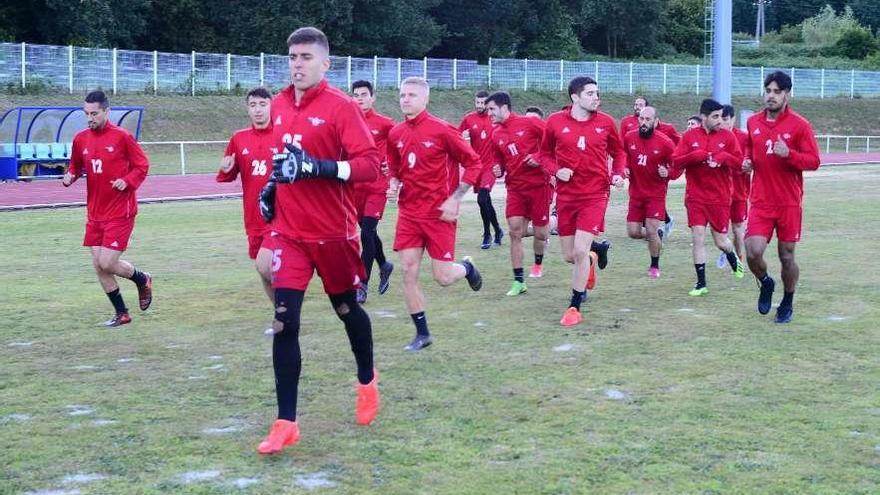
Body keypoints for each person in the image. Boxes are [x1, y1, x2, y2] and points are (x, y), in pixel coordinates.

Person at [255, 27, 381, 456]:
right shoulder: (276, 105)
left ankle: (367, 379)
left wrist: (319, 168)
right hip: (289, 233)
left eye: (306, 56)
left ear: (325, 63)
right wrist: (272, 186)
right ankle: (286, 422)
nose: (297, 63)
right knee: (284, 322)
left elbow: (370, 167)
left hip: (334, 234)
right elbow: (283, 160)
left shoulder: (342, 108)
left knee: (347, 310)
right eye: (292, 56)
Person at [387, 77, 484, 351]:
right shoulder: (395, 133)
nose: (406, 99)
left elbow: (474, 163)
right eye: (403, 94)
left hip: (439, 214)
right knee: (407, 270)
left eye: (412, 95)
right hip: (408, 213)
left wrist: (456, 199)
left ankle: (466, 268)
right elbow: (394, 166)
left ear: (425, 99)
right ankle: (422, 333)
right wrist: (393, 183)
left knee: (442, 277)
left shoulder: (443, 130)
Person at [538, 76, 626, 327]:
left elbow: (618, 152)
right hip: (566, 196)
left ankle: (574, 305)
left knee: (577, 251)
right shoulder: (555, 121)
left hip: (596, 194)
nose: (596, 97)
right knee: (570, 255)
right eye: (590, 93)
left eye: (597, 93)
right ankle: (593, 255)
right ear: (575, 97)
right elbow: (543, 154)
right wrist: (556, 170)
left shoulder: (607, 122)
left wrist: (618, 173)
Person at [62, 90, 152, 327]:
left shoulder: (122, 136)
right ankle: (122, 313)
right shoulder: (80, 138)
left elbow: (142, 166)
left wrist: (128, 181)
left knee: (108, 262)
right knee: (98, 265)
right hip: (95, 212)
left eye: (94, 113)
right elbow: (76, 166)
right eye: (86, 113)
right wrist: (71, 175)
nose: (90, 117)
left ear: (106, 111)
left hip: (120, 211)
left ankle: (143, 279)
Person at [743, 70, 820, 323]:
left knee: (786, 256)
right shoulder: (753, 122)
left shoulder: (800, 125)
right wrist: (746, 160)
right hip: (761, 201)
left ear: (787, 94)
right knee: (753, 252)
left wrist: (790, 155)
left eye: (777, 92)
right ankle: (766, 282)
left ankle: (787, 301)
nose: (771, 96)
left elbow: (814, 161)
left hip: (788, 202)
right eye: (768, 91)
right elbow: (749, 148)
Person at [671, 98, 745, 297]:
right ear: (703, 117)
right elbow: (676, 161)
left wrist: (722, 158)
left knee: (721, 241)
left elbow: (739, 163)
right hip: (695, 197)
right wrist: (695, 156)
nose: (720, 120)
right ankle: (701, 283)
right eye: (715, 116)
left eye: (721, 116)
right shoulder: (689, 137)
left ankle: (733, 257)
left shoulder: (728, 137)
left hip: (720, 198)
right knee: (698, 238)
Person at [484, 91, 550, 294]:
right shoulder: (496, 134)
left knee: (541, 234)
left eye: (492, 109)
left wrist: (539, 156)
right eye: (487, 110)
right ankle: (519, 281)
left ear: (505, 107)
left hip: (539, 186)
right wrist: (498, 168)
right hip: (515, 189)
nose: (489, 114)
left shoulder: (530, 123)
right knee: (515, 232)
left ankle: (539, 259)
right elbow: (498, 159)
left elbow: (554, 141)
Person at [216, 87, 275, 304]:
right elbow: (227, 177)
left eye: (262, 104)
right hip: (253, 217)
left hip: (280, 217)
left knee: (265, 265)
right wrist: (225, 168)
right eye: (253, 105)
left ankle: (289, 308)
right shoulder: (239, 138)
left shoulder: (283, 134)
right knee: (263, 271)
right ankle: (283, 316)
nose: (258, 110)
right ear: (247, 109)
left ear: (271, 105)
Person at [351, 80, 396, 304]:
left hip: (377, 187)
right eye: (356, 95)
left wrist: (390, 164)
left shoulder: (385, 123)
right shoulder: (348, 123)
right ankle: (385, 265)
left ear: (373, 97)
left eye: (363, 94)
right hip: (355, 187)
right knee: (369, 232)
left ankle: (362, 284)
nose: (359, 98)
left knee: (366, 233)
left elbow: (400, 144)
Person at [623, 106, 676, 279]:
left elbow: (677, 165)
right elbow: (624, 157)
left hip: (656, 194)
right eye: (641, 119)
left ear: (655, 121)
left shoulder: (665, 142)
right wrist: (625, 168)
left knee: (651, 230)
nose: (644, 122)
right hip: (636, 193)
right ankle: (657, 236)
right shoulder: (629, 137)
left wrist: (668, 173)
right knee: (633, 232)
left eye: (648, 119)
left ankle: (654, 265)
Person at [459, 90, 503, 249]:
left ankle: (487, 234)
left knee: (482, 199)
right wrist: (463, 139)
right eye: (477, 102)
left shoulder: (495, 119)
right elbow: (457, 137)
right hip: (476, 167)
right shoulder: (468, 119)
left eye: (482, 103)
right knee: (486, 202)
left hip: (490, 167)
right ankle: (498, 230)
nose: (479, 106)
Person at [716, 104, 750, 269]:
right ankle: (728, 253)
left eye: (726, 119)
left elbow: (748, 163)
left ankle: (739, 260)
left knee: (737, 230)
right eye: (720, 119)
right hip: (719, 192)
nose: (722, 123)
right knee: (720, 230)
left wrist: (747, 165)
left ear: (733, 119)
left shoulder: (743, 138)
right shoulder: (715, 136)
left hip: (738, 192)